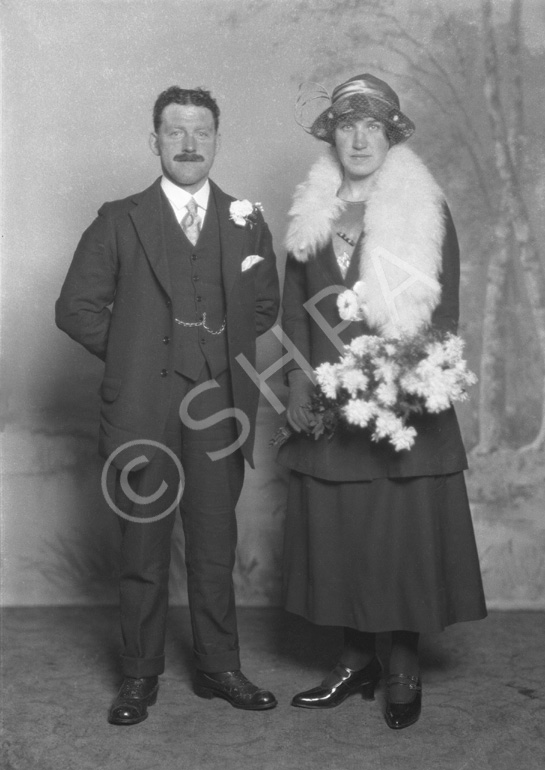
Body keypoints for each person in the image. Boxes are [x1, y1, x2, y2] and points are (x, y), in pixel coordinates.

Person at [56, 86, 280, 725]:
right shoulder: (120, 219)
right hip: (142, 413)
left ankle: (219, 666)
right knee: (143, 549)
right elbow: (74, 307)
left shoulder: (246, 219)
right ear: (153, 140)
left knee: (215, 544)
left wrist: (214, 354)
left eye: (201, 132)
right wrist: (135, 356)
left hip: (219, 410)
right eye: (175, 131)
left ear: (216, 140)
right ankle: (138, 675)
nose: (188, 143)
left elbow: (264, 305)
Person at [278, 74, 487, 729]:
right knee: (342, 532)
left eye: (372, 125)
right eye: (346, 125)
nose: (359, 137)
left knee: (397, 534)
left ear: (391, 134)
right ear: (332, 135)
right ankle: (353, 659)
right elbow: (295, 310)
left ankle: (400, 664)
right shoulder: (313, 215)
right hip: (331, 400)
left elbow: (443, 308)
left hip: (402, 399)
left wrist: (408, 378)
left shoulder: (423, 209)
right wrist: (296, 381)